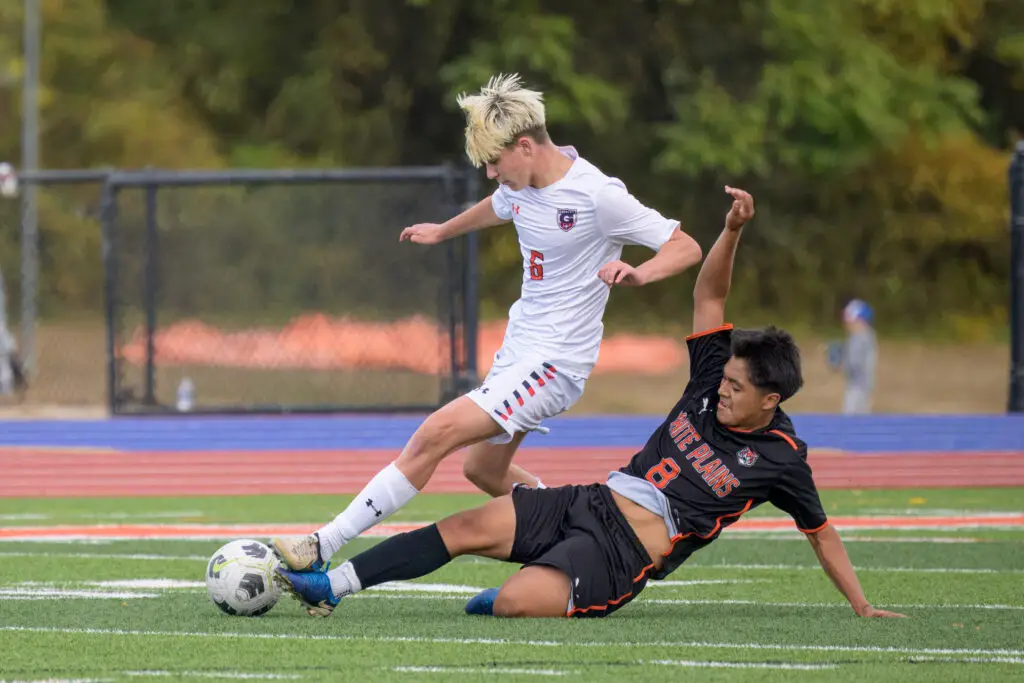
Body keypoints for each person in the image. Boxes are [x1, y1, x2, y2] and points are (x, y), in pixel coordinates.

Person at [274, 187, 906, 620]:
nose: (722, 390)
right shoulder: (713, 379)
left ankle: (505, 597)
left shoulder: (782, 456)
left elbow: (821, 534)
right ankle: (333, 585)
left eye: (737, 389)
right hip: (591, 501)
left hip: (621, 555)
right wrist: (732, 230)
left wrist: (862, 605)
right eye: (725, 379)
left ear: (772, 400)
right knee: (463, 526)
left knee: (515, 603)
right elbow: (710, 298)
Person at [271, 73, 702, 572]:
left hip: (555, 361)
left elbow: (685, 245)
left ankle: (322, 544)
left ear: (525, 146)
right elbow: (500, 207)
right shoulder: (521, 183)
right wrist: (444, 231)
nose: (492, 173)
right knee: (483, 468)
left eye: (495, 162)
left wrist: (640, 271)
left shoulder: (597, 195)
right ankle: (592, 529)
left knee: (435, 433)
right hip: (519, 352)